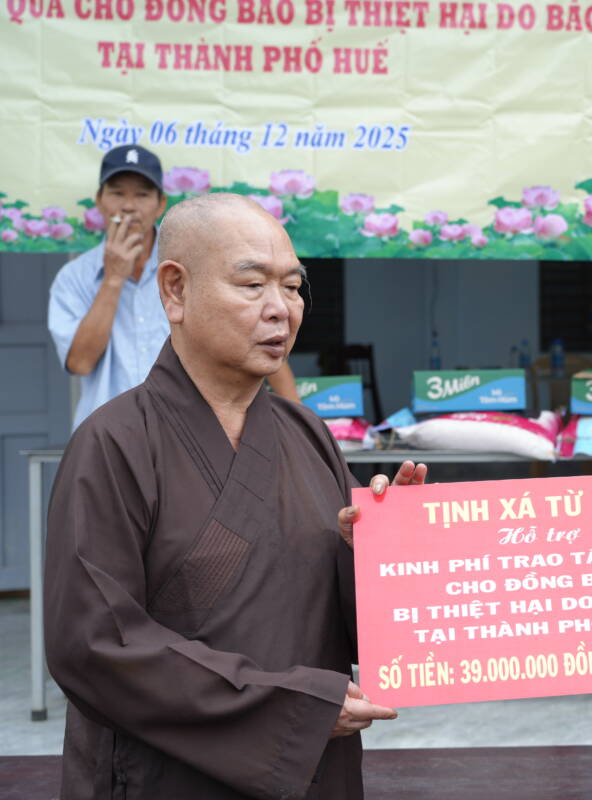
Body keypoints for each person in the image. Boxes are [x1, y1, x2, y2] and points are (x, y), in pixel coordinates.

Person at [44, 193, 426, 799]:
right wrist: (289, 710)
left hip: (311, 770)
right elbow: (93, 647)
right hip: (166, 778)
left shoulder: (308, 435)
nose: (281, 309)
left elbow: (355, 622)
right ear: (175, 290)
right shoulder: (113, 443)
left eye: (293, 287)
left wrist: (379, 551)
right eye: (252, 285)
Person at [47, 144, 298, 430]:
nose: (128, 206)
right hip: (110, 434)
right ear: (100, 202)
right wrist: (113, 278)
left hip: (191, 429)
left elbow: (256, 335)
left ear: (160, 204)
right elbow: (80, 363)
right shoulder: (73, 277)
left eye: (142, 195)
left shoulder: (193, 266)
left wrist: (302, 425)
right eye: (117, 193)